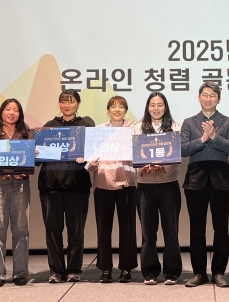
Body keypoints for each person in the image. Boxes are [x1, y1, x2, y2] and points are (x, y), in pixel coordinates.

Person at [180, 81, 229, 288]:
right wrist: (202, 140)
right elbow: (182, 149)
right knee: (197, 229)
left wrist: (214, 137)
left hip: (220, 178)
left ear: (218, 99)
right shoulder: (189, 122)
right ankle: (199, 273)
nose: (208, 98)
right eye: (205, 95)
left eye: (212, 95)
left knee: (221, 229)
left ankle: (219, 273)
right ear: (199, 97)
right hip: (195, 178)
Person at [38, 89, 94, 283]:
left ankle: (74, 270)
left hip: (77, 187)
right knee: (52, 231)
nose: (67, 105)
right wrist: (36, 151)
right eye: (63, 101)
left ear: (78, 104)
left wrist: (87, 156)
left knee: (76, 232)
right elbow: (38, 159)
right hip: (50, 187)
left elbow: (95, 153)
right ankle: (56, 271)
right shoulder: (49, 127)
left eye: (71, 101)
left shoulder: (85, 126)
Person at [86, 96, 137, 284]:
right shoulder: (98, 131)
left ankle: (126, 268)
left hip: (126, 183)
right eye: (113, 106)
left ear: (126, 110)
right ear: (108, 110)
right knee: (103, 228)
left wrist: (126, 135)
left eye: (121, 106)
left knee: (128, 228)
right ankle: (105, 268)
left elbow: (140, 156)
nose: (117, 109)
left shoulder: (133, 130)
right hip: (103, 183)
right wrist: (91, 163)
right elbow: (90, 161)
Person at [0, 98, 32, 287]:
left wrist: (34, 155)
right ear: (2, 112)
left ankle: (20, 273)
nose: (12, 113)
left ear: (20, 114)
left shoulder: (26, 135)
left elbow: (33, 160)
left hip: (20, 185)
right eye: (8, 109)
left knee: (21, 230)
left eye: (16, 110)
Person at [134, 92, 182, 285]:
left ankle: (172, 272)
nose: (156, 108)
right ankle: (150, 272)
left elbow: (176, 155)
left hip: (169, 186)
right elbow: (134, 155)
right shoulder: (138, 127)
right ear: (147, 107)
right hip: (145, 187)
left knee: (171, 231)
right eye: (152, 105)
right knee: (148, 233)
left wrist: (165, 168)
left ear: (165, 107)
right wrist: (141, 168)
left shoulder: (175, 127)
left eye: (160, 105)